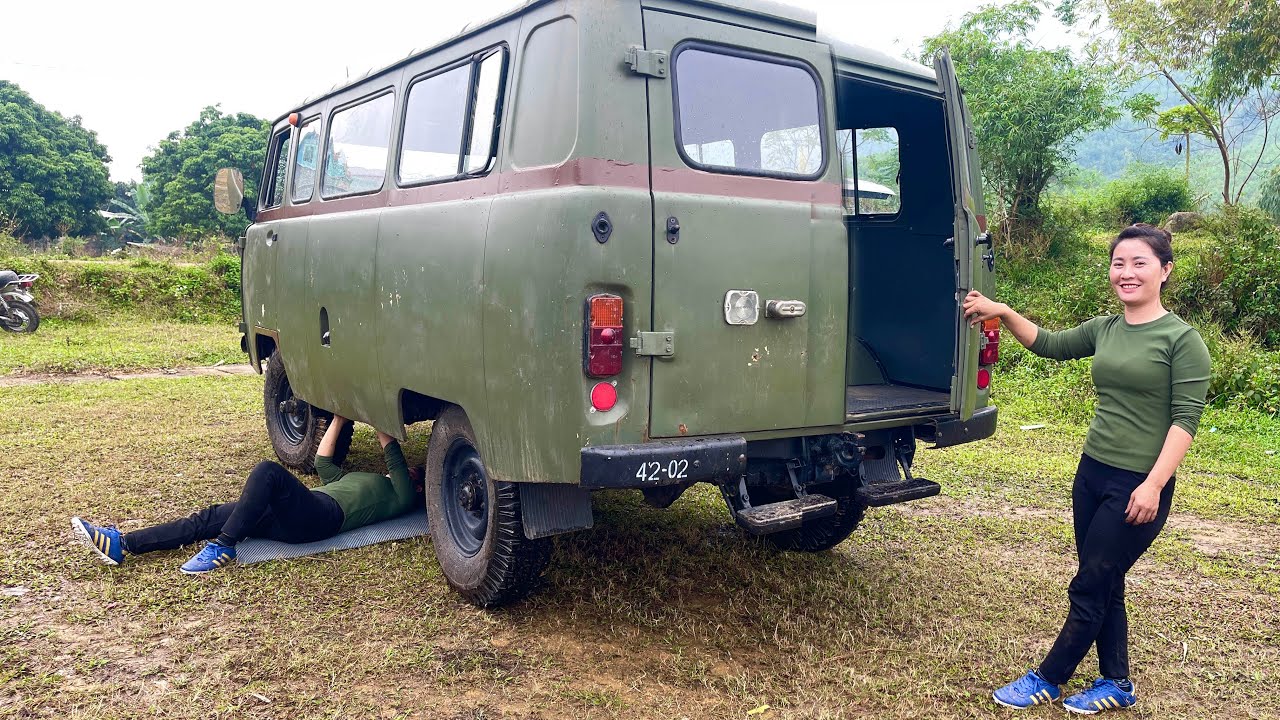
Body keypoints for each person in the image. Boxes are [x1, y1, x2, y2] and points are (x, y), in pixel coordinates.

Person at [963, 223, 1210, 714]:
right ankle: (1117, 683)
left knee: (1091, 582)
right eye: (1119, 263)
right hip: (1092, 472)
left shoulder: (1183, 341)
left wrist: (1154, 485)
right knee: (1104, 578)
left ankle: (1049, 678)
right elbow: (1050, 344)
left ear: (1165, 271)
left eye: (1140, 263)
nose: (1127, 273)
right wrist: (1005, 313)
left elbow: (1185, 421)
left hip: (1138, 483)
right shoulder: (1106, 328)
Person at [72, 415, 422, 574]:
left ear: (418, 486)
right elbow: (323, 461)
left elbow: (391, 449)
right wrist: (340, 420)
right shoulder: (361, 478)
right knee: (208, 516)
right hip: (299, 514)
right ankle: (123, 545)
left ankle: (223, 547)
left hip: (321, 519)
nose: (412, 471)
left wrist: (379, 416)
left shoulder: (399, 495)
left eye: (417, 474)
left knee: (267, 472)